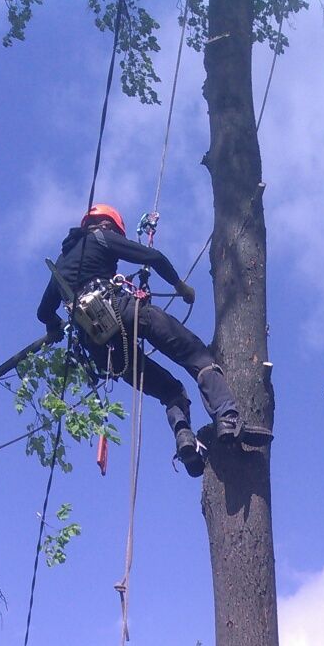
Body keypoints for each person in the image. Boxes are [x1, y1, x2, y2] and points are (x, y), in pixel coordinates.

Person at [38, 203, 241, 477]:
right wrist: (181, 287)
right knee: (197, 356)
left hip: (100, 348)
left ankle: (184, 437)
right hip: (126, 313)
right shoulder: (101, 238)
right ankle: (227, 416)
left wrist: (53, 328)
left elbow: (43, 312)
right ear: (109, 226)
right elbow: (155, 257)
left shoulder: (60, 266)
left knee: (170, 390)